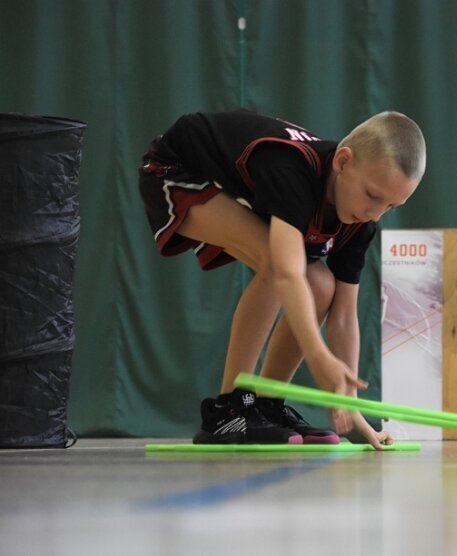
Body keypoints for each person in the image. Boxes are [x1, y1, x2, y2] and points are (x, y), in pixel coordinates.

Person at [138, 109, 426, 449]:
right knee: (278, 264)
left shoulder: (361, 223)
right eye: (373, 196)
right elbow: (287, 273)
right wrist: (318, 357)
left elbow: (345, 314)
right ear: (343, 162)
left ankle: (266, 405)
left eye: (391, 206)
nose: (374, 214)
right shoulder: (293, 170)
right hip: (177, 170)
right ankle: (229, 410)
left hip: (230, 187)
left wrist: (350, 405)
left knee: (320, 285)